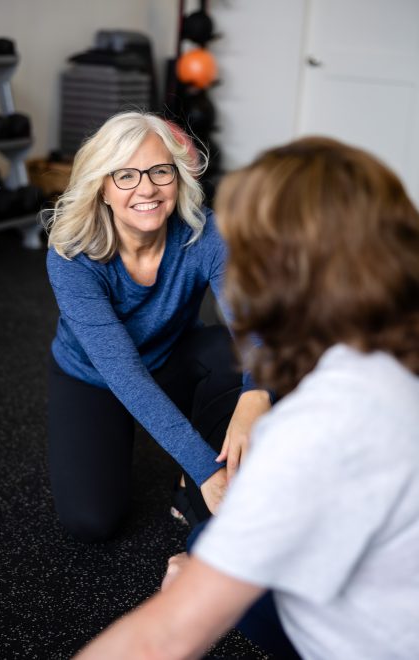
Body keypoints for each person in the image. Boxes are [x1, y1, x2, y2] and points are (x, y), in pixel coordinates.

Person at [73, 136, 419, 659]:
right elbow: (126, 374)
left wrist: (201, 571)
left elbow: (164, 638)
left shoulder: (314, 426)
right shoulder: (383, 364)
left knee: (202, 547)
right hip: (102, 378)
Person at [45, 111, 271, 542]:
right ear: (102, 188)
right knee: (92, 522)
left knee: (234, 358)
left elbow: (254, 322)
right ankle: (198, 465)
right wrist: (209, 469)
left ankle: (188, 484)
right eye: (125, 175)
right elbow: (123, 373)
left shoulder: (206, 232)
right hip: (95, 380)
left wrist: (256, 393)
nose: (146, 188)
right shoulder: (71, 255)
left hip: (170, 358)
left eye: (159, 171)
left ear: (178, 177)